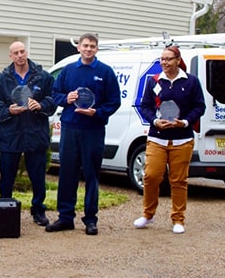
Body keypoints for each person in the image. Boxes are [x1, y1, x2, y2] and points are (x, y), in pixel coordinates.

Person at [46, 33, 121, 235]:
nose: (88, 49)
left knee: (91, 175)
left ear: (97, 49)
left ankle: (90, 219)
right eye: (85, 45)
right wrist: (66, 98)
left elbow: (114, 101)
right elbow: (54, 95)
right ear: (78, 47)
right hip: (70, 128)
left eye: (92, 46)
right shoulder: (69, 70)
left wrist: (97, 112)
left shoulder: (105, 72)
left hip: (93, 130)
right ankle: (65, 217)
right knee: (67, 174)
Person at [133, 46, 206, 234]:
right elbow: (145, 106)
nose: (164, 63)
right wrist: (155, 121)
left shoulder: (191, 82)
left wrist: (185, 122)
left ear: (177, 60)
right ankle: (148, 214)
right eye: (162, 59)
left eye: (168, 59)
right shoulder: (153, 82)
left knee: (179, 180)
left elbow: (200, 106)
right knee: (151, 176)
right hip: (157, 137)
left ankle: (178, 219)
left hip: (182, 139)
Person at [0, 41, 57, 226]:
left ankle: (38, 211)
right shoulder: (2, 79)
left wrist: (41, 105)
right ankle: (5, 208)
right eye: (15, 53)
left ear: (26, 52)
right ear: (10, 56)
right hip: (11, 133)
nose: (20, 55)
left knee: (37, 177)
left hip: (35, 133)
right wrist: (8, 110)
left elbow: (53, 99)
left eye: (22, 51)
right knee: (7, 175)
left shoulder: (43, 77)